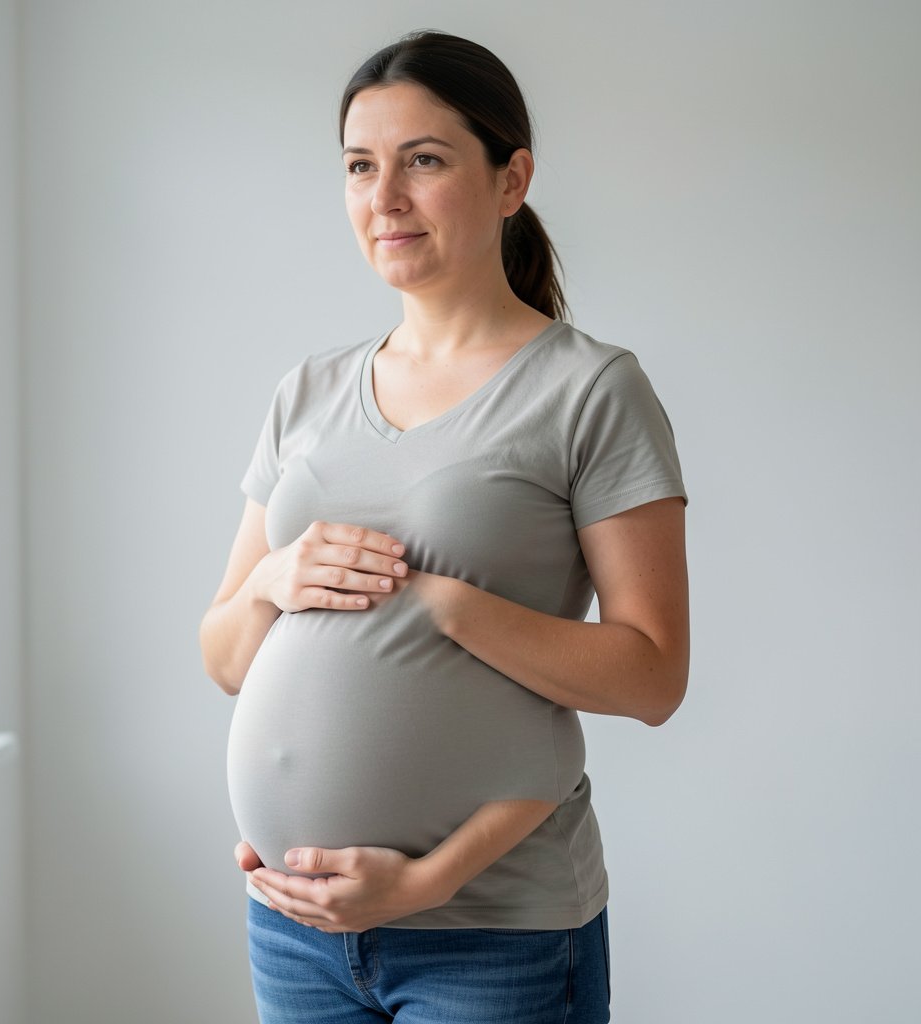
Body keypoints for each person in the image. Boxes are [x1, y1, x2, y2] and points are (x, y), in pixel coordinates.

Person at [200, 29, 688, 1024]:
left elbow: (651, 676)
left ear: (511, 180)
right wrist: (270, 581)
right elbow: (224, 655)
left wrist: (447, 604)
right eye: (358, 166)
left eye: (422, 161)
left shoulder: (589, 389)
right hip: (298, 929)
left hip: (495, 937)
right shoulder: (309, 391)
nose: (383, 200)